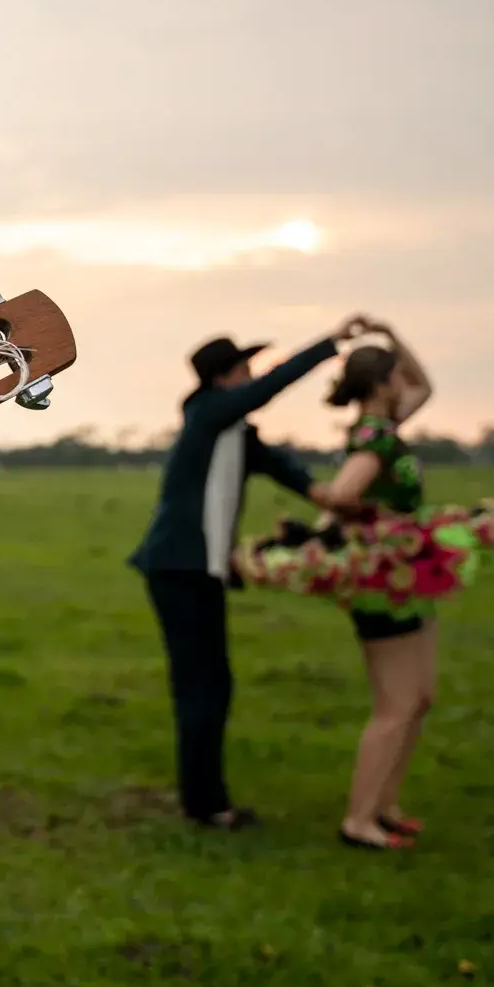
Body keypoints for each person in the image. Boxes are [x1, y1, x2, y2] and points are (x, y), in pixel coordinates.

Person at [129, 319, 363, 826]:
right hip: (180, 568)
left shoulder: (231, 431)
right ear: (223, 378)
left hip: (196, 571)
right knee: (202, 688)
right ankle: (207, 805)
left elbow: (285, 468)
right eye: (244, 370)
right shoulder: (210, 414)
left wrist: (331, 501)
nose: (252, 376)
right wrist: (329, 345)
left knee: (213, 685)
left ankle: (206, 797)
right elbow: (268, 389)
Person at [315, 324, 437, 850]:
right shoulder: (375, 438)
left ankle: (385, 806)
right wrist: (378, 521)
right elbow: (340, 497)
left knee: (418, 699)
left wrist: (389, 332)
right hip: (382, 580)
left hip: (408, 576)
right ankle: (358, 821)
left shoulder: (384, 426)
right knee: (395, 705)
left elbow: (425, 386)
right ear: (384, 382)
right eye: (395, 374)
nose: (404, 381)